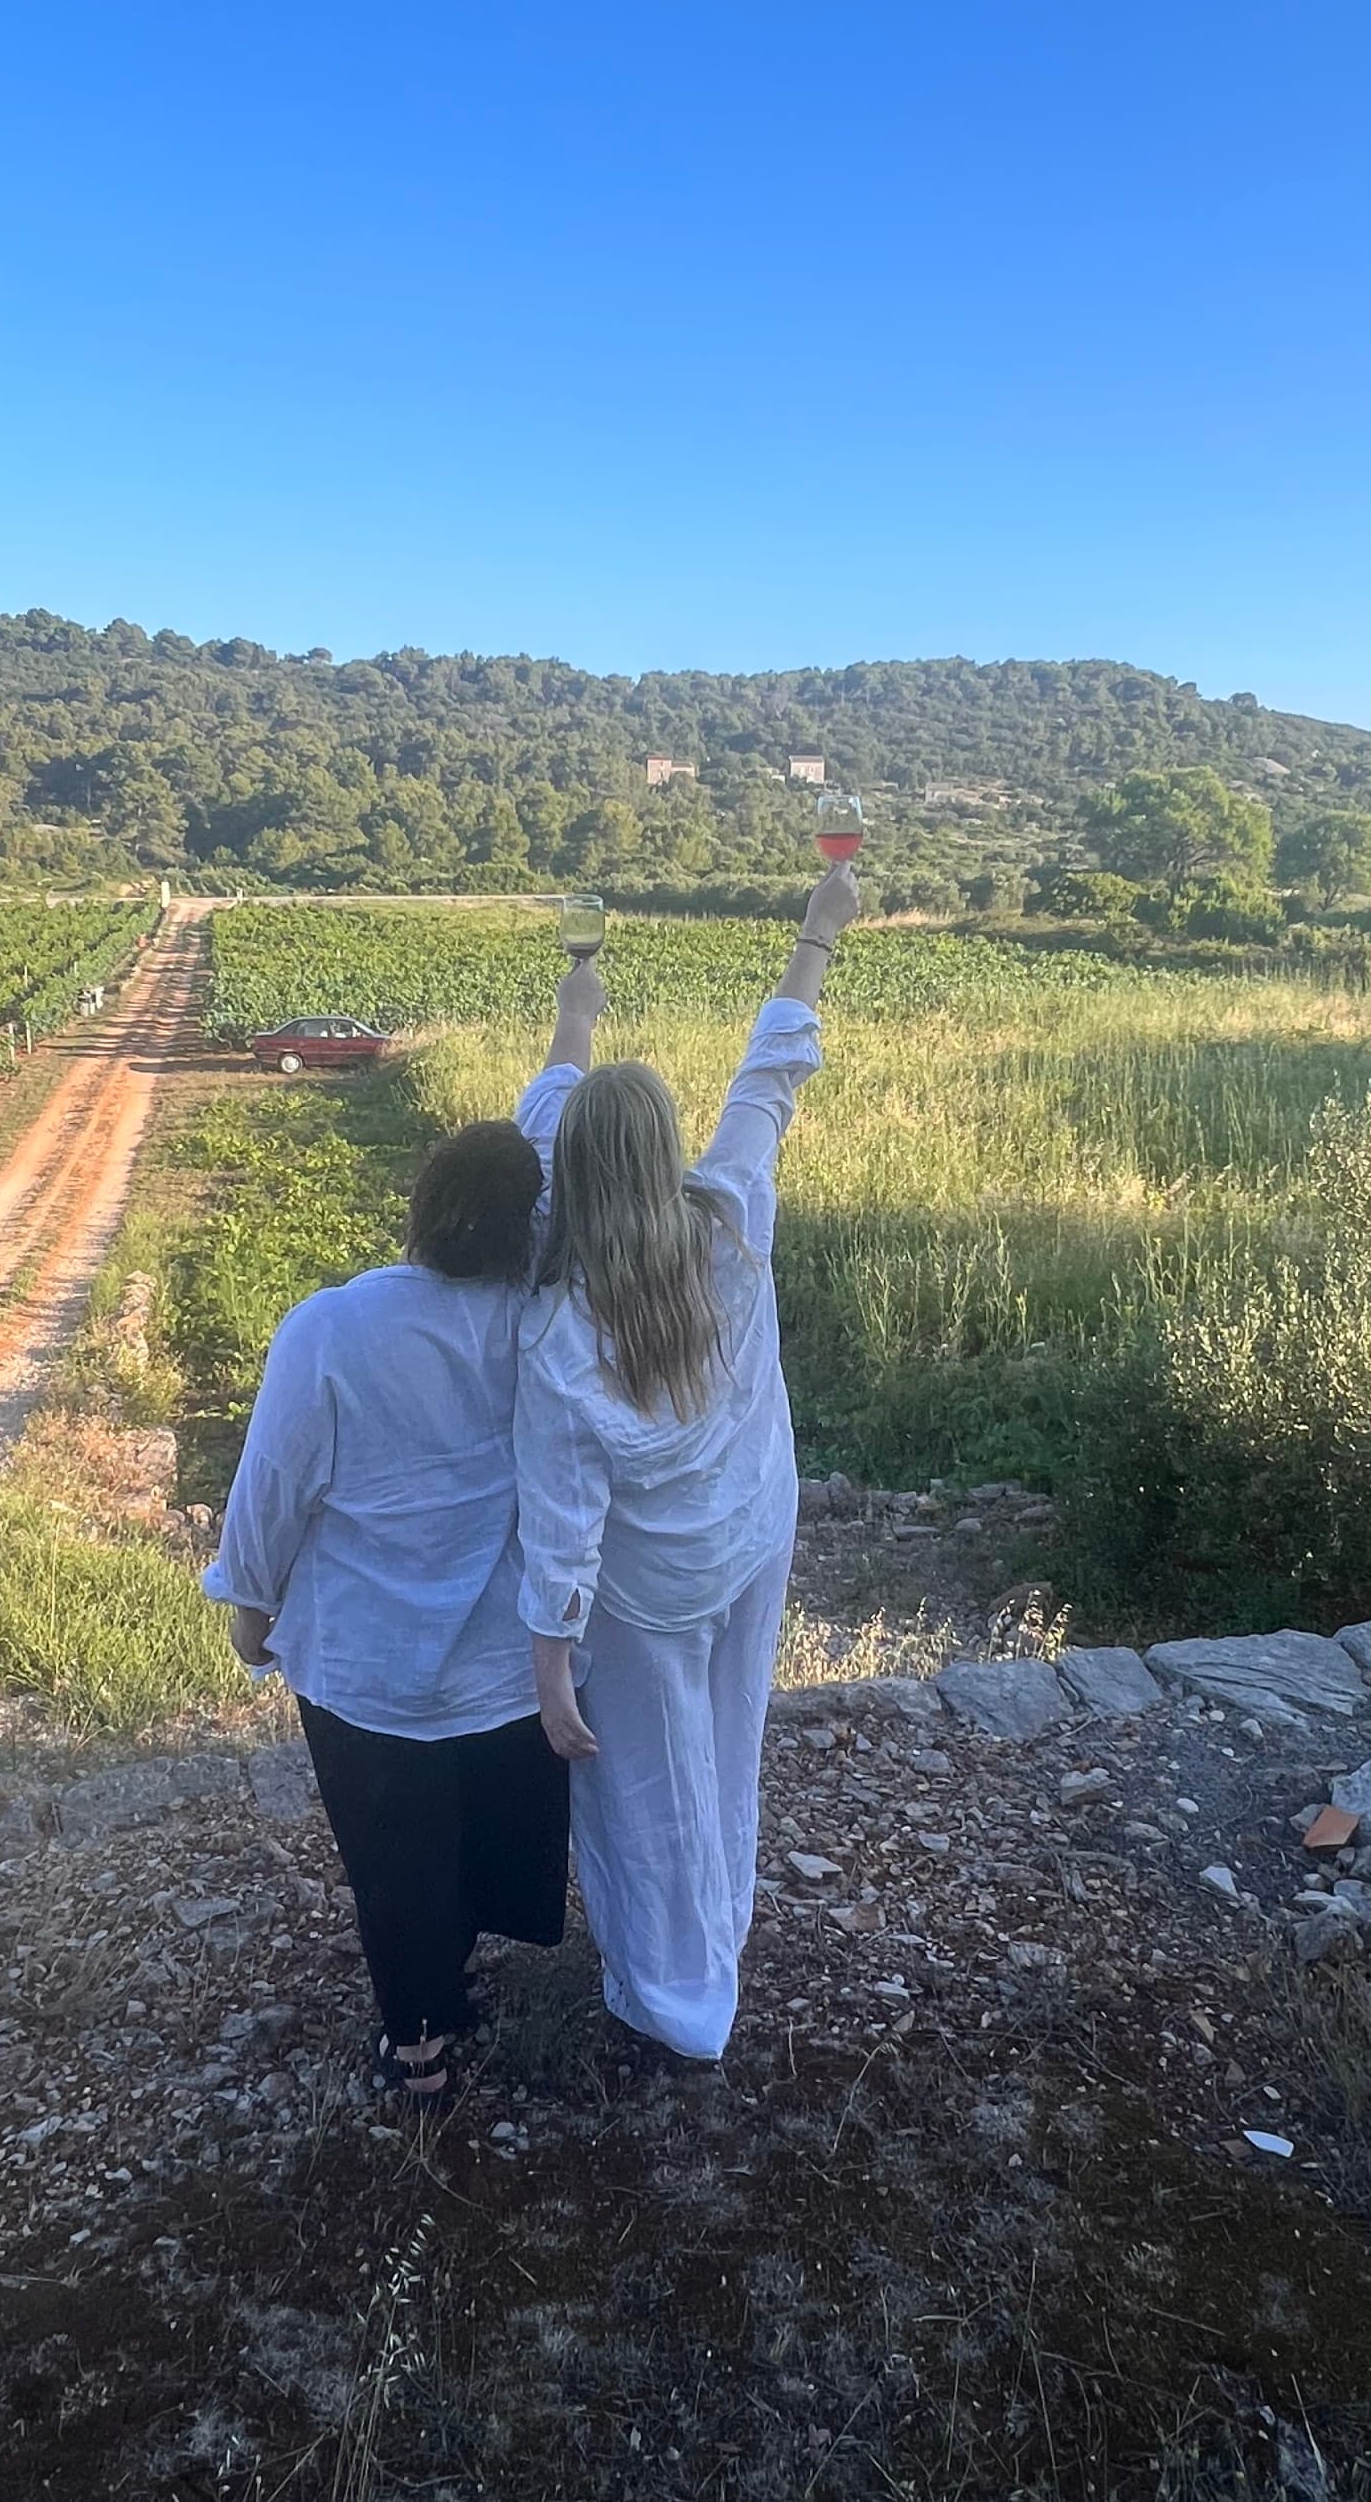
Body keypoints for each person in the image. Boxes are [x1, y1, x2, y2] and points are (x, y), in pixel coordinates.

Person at [512, 863, 860, 2060]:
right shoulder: (730, 1218)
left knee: (646, 1793)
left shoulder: (561, 1332)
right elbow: (770, 1080)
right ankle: (723, 1930)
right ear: (663, 1151)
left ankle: (676, 2001)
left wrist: (549, 1678)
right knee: (729, 1752)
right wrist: (815, 932)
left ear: (575, 1169)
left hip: (646, 1599)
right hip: (754, 1537)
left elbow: (562, 1529)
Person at [203, 1099, 592, 2103]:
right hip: (505, 1663)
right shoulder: (539, 1326)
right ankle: (455, 1973)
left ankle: (416, 2047)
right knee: (476, 1835)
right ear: (524, 1235)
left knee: (394, 1854)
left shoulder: (331, 1327)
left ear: (419, 1211)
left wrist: (252, 1613)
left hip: (363, 1664)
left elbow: (272, 1490)